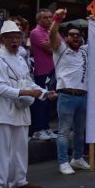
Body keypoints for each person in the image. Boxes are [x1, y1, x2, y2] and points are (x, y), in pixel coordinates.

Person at [0, 21, 48, 188]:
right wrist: (25, 92)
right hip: (2, 111)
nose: (15, 40)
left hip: (20, 109)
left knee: (20, 147)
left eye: (18, 37)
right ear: (2, 39)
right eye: (10, 37)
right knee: (1, 150)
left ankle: (18, 181)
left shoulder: (20, 58)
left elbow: (28, 81)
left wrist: (44, 92)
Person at [48, 9, 91, 175]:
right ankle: (63, 161)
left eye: (78, 35)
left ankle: (77, 158)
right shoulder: (60, 50)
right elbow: (52, 34)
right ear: (65, 38)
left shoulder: (84, 51)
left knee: (80, 131)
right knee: (64, 131)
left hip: (82, 96)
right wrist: (56, 19)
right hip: (66, 96)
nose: (75, 37)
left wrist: (94, 22)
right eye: (72, 35)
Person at [29, 9, 57, 141]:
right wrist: (55, 46)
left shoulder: (51, 31)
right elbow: (52, 49)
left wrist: (54, 45)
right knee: (41, 102)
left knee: (49, 102)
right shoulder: (36, 32)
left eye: (50, 17)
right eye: (45, 18)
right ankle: (37, 130)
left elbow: (63, 47)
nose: (49, 20)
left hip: (53, 71)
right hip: (42, 72)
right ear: (38, 20)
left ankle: (46, 127)